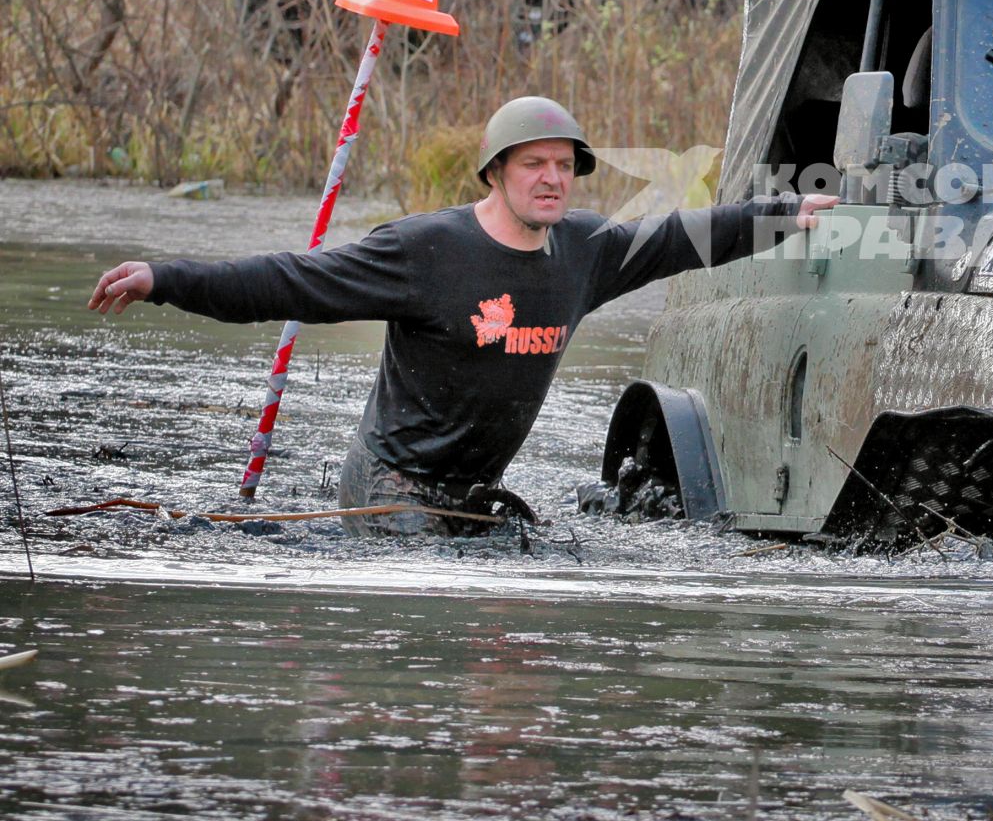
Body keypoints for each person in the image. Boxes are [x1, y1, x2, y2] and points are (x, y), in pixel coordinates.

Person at [86, 98, 840, 537]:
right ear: (495, 173)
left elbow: (685, 236)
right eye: (532, 165)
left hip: (475, 490)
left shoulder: (586, 251)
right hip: (390, 485)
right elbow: (290, 281)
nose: (552, 180)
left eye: (564, 166)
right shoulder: (424, 252)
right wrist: (165, 278)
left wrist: (787, 213)